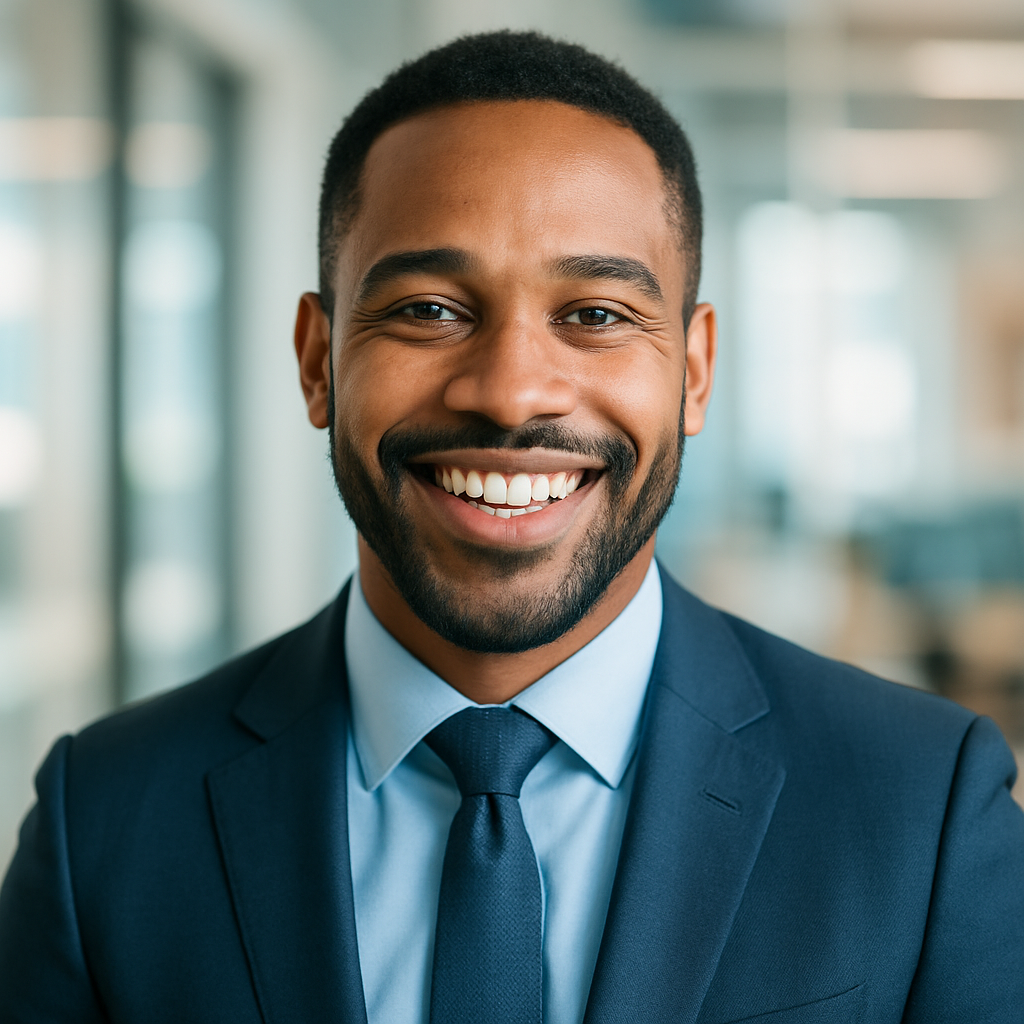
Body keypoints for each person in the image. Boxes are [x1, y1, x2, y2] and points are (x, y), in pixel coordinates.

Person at [1, 30, 1022, 1024]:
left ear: (694, 370)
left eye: (596, 315)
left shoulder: (921, 805)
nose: (509, 391)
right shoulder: (105, 824)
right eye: (430, 309)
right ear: (317, 359)